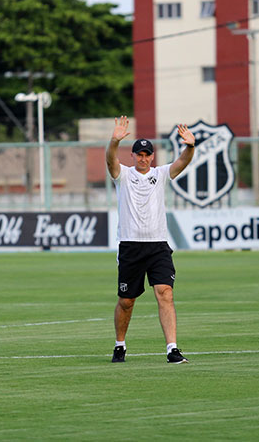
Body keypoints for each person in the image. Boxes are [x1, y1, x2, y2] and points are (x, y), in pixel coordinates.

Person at [105, 115, 196, 364]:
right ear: (132, 156)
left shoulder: (161, 174)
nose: (143, 158)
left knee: (165, 292)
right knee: (126, 301)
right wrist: (114, 141)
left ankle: (172, 349)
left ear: (152, 156)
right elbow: (110, 160)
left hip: (158, 246)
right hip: (130, 246)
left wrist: (190, 146)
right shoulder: (122, 175)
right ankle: (120, 345)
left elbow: (181, 163)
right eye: (139, 154)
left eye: (147, 154)